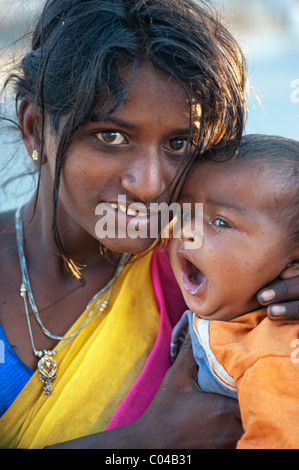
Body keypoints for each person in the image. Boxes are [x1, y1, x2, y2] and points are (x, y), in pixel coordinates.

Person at [0, 0, 297, 450]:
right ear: (34, 127)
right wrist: (147, 441)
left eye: (179, 142)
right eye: (111, 136)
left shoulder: (218, 279)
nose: (149, 184)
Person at [170, 134, 299, 449]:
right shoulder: (230, 314)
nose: (187, 230)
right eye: (186, 213)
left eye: (220, 222)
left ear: (294, 265)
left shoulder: (272, 352)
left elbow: (279, 439)